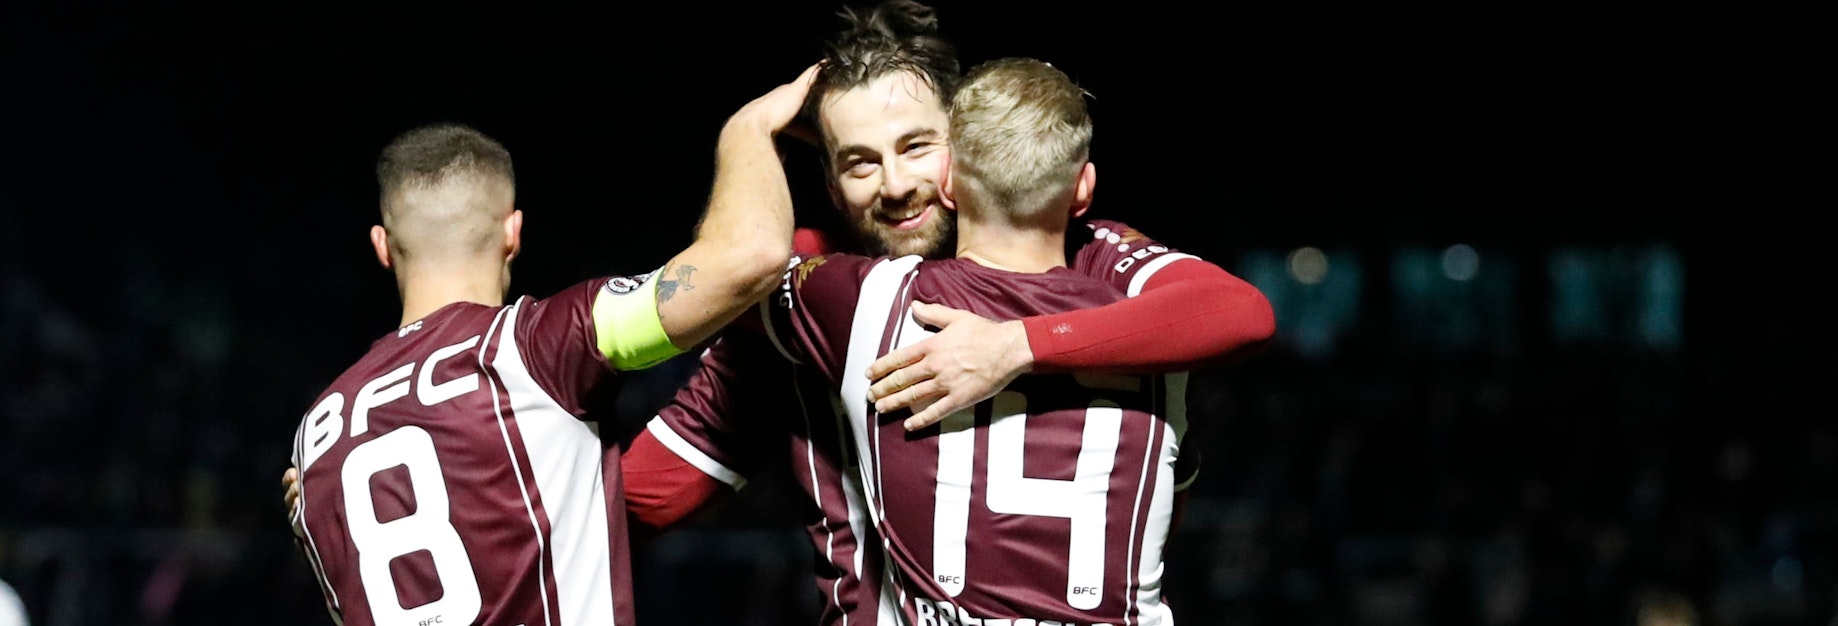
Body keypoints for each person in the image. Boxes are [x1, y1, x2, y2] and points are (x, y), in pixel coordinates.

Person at [281, 1, 1274, 622]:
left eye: (914, 146)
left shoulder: (826, 294)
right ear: (828, 180)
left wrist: (1013, 345)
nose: (893, 184)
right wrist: (430, 486)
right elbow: (644, 497)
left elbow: (1232, 312)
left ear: (965, 146)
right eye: (857, 161)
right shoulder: (803, 318)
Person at [283, 63, 817, 626]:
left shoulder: (314, 439)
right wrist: (748, 129)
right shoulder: (529, 347)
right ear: (512, 232)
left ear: (382, 246)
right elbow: (751, 256)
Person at [764, 54, 1212, 624]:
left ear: (949, 182)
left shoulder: (868, 303)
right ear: (1084, 189)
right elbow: (1169, 508)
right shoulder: (1159, 338)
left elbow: (745, 261)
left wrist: (750, 131)